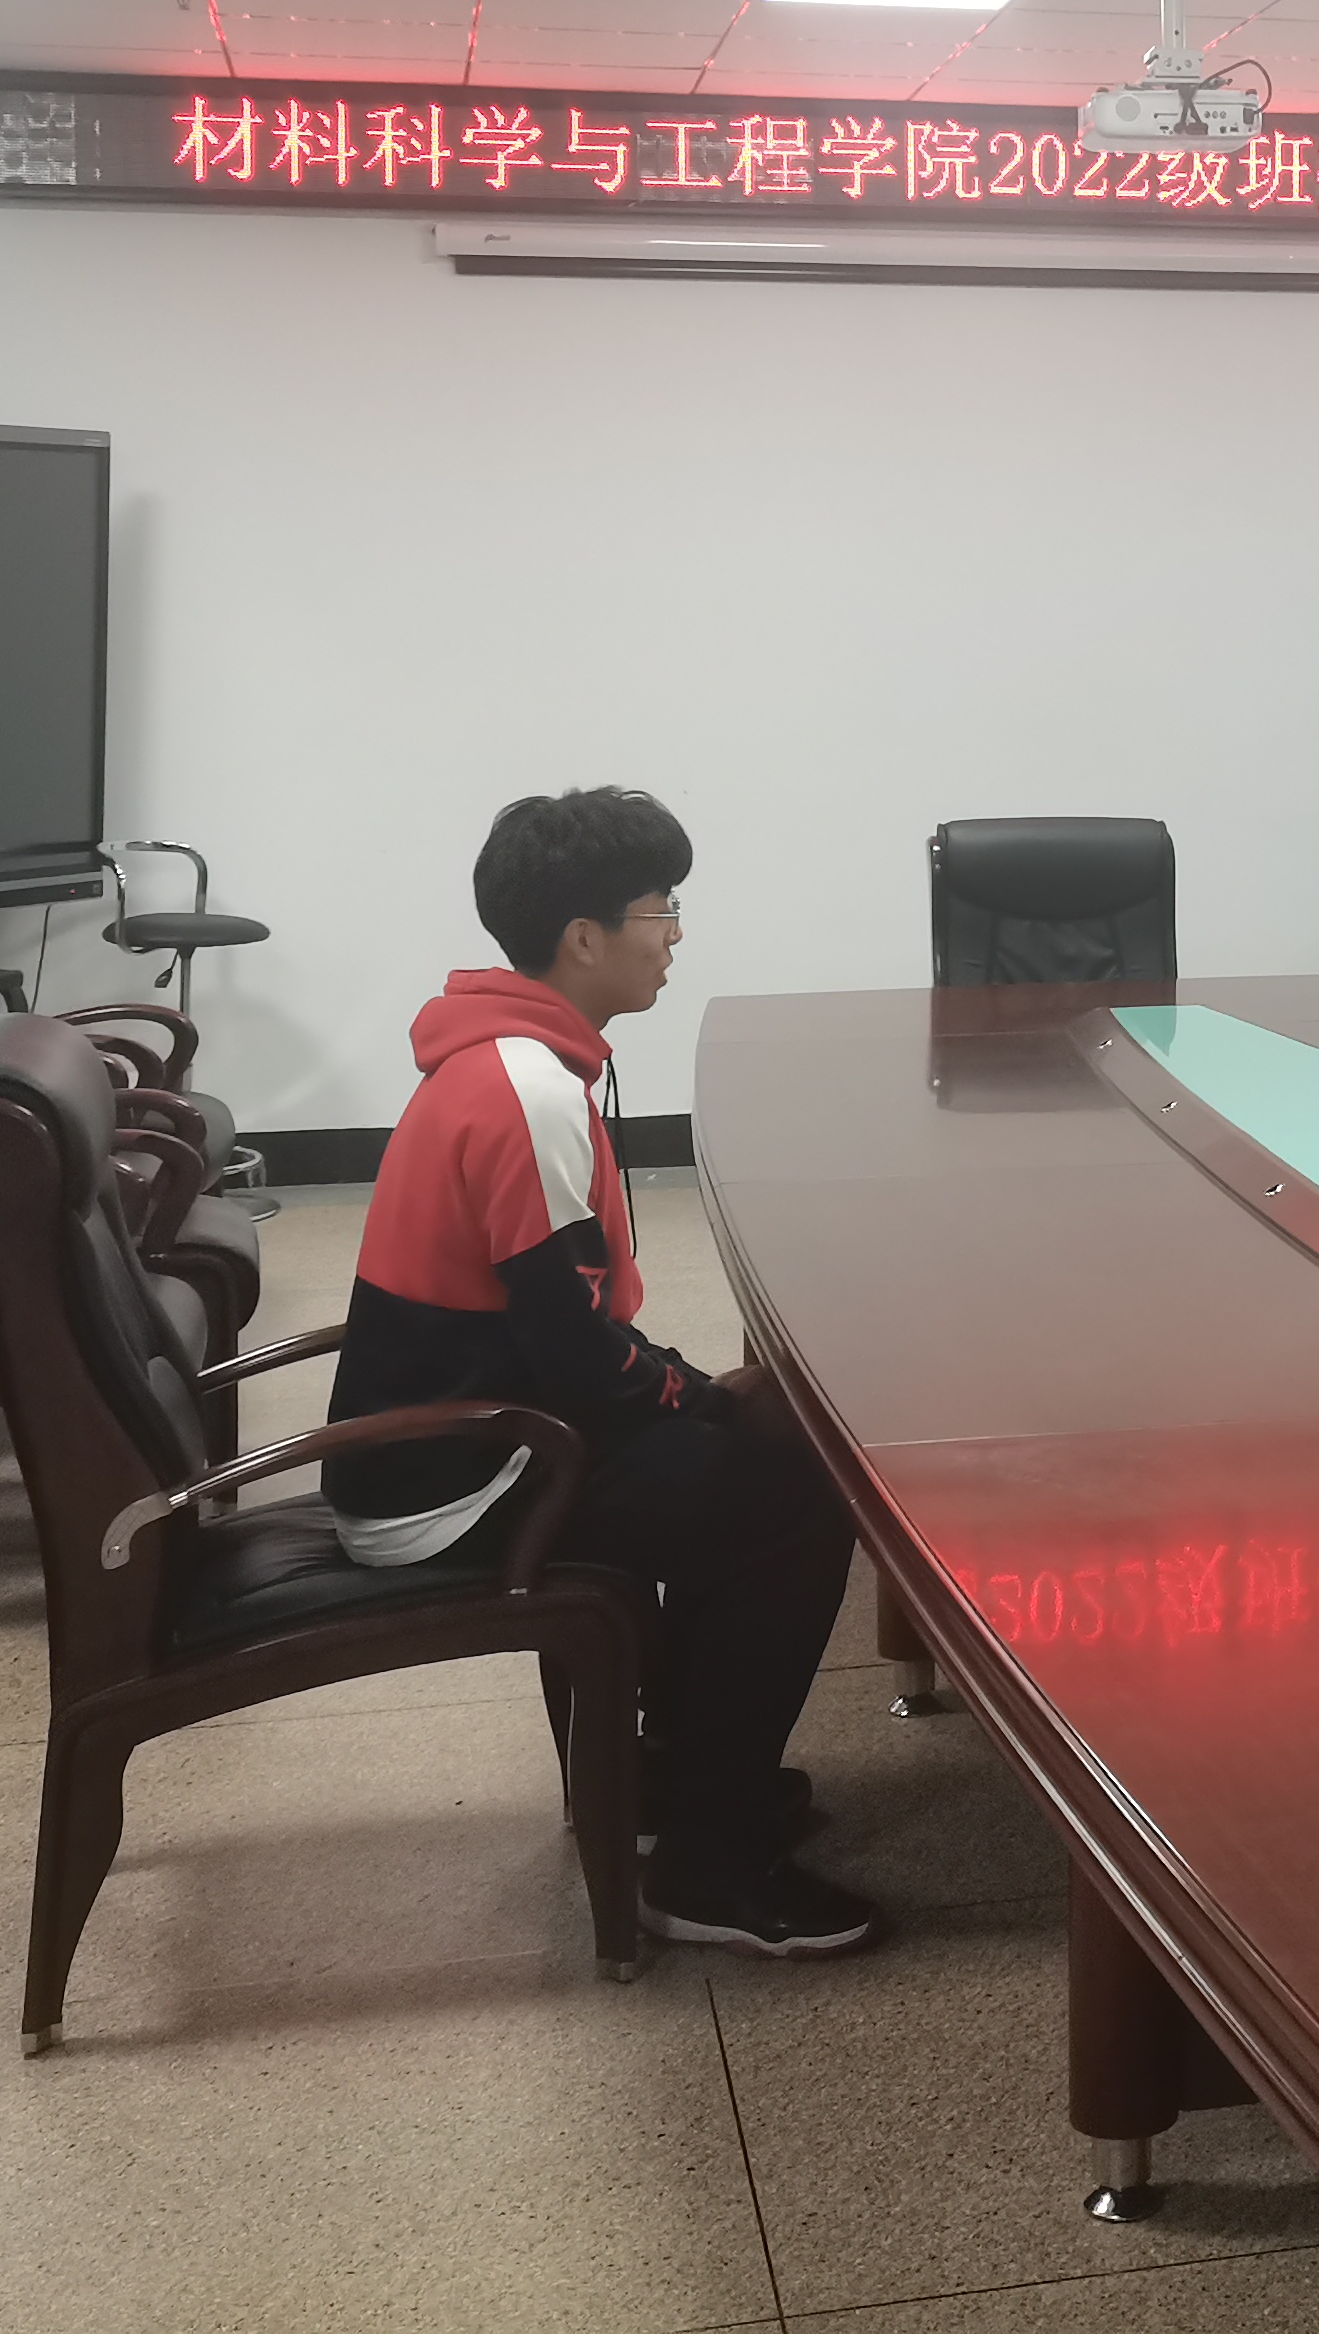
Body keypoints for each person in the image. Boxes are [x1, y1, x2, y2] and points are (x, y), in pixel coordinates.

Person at [326, 784, 878, 1957]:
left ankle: (677, 1781)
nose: (674, 933)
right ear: (585, 937)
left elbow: (569, 1335)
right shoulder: (525, 1089)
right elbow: (578, 1355)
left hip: (461, 1431)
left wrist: (696, 1395)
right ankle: (708, 1863)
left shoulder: (504, 1058)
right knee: (792, 1494)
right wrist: (703, 1399)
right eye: (660, 908)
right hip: (451, 1480)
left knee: (750, 1441)